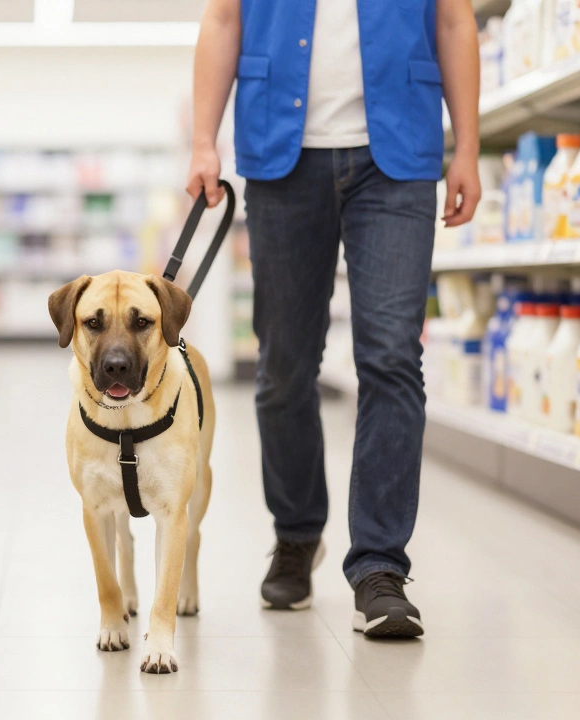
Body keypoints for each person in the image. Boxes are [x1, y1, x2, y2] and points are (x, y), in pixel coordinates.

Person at [187, 0, 481, 637]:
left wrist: (469, 147)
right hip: (280, 154)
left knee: (392, 355)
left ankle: (379, 566)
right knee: (284, 368)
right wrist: (203, 141)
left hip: (397, 156)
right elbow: (222, 20)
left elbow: (455, 21)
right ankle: (296, 534)